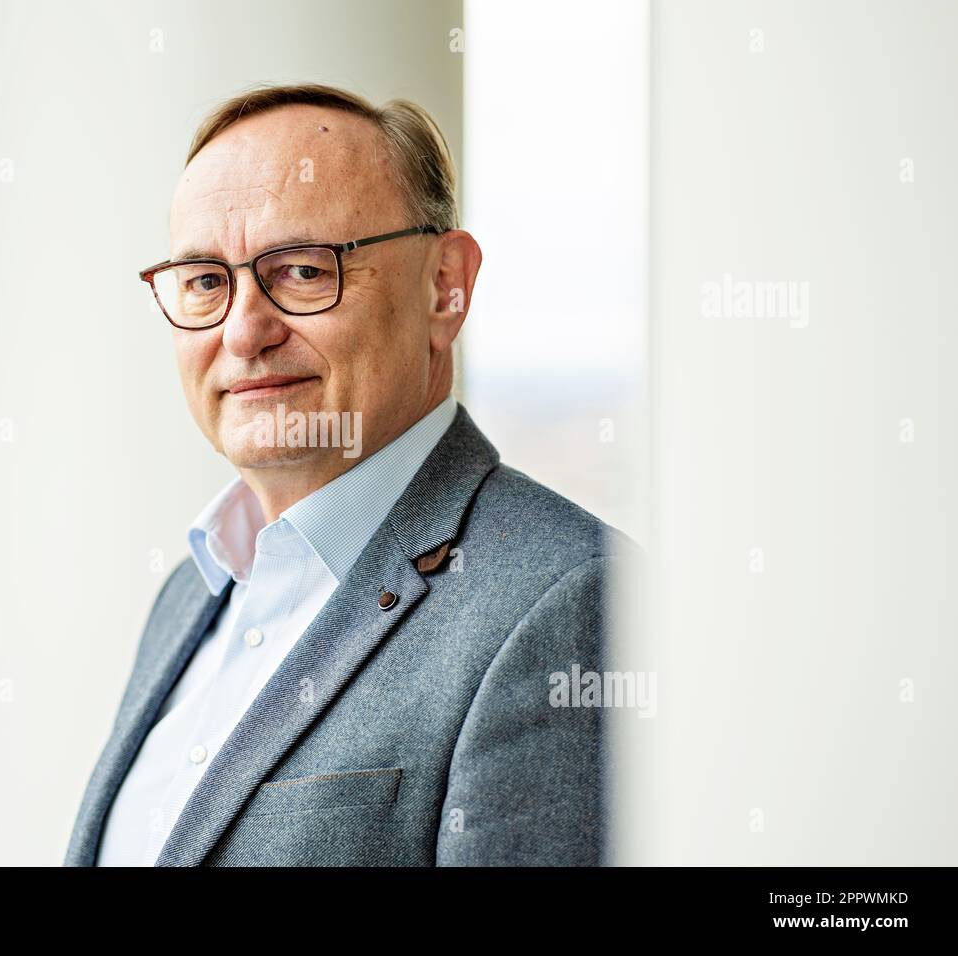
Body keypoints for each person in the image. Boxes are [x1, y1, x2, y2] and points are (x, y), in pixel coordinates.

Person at [65, 83, 632, 866]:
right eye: (204, 281)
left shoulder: (572, 599)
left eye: (301, 269)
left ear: (445, 285)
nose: (243, 332)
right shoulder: (189, 594)